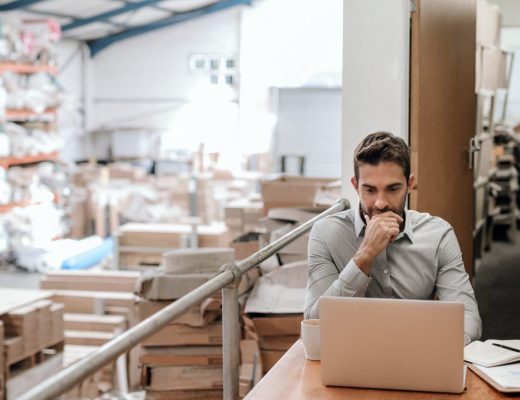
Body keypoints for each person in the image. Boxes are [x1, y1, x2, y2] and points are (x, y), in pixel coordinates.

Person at [304, 131, 482, 345]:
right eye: (369, 190)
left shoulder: (439, 235)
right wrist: (364, 256)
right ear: (355, 185)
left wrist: (434, 348)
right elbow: (316, 324)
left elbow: (469, 320)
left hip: (420, 352)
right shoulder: (326, 233)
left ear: (409, 184)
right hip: (352, 353)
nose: (380, 203)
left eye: (393, 189)